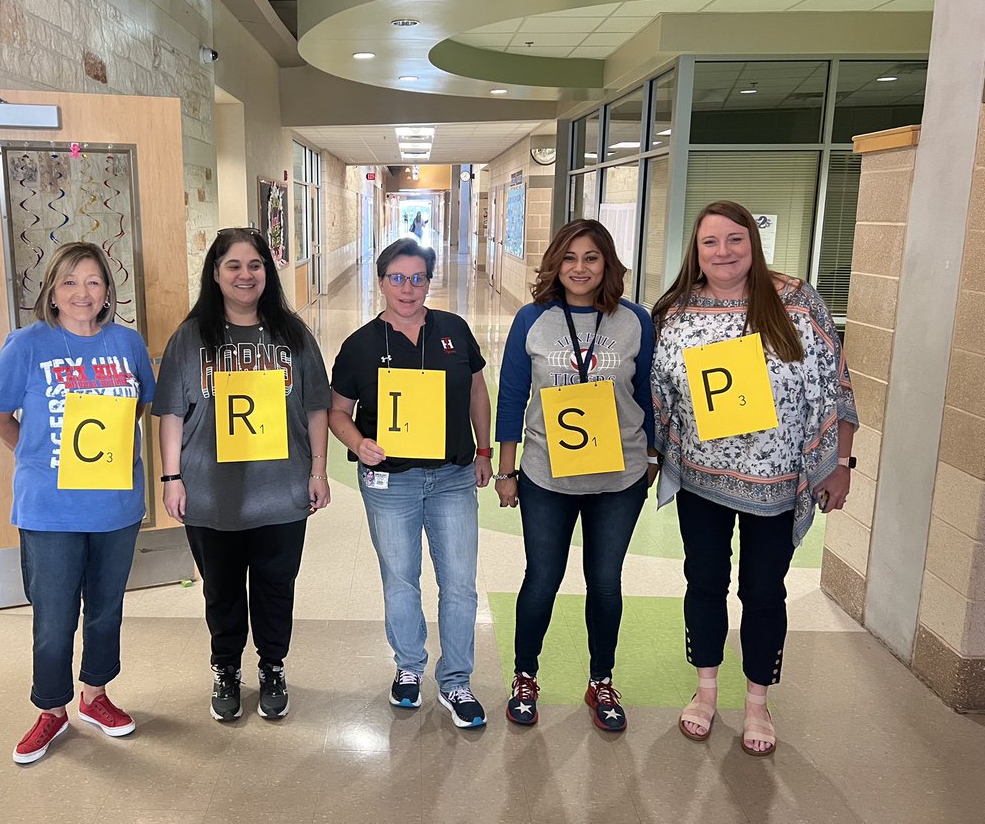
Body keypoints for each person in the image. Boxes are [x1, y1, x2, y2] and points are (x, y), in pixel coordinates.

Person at [651, 199, 857, 757]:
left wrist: (839, 462)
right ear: (696, 250)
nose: (723, 252)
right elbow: (659, 391)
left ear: (753, 243)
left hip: (778, 482)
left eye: (734, 239)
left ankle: (758, 702)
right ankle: (705, 690)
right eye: (710, 242)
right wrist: (651, 455)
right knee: (704, 582)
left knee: (763, 591)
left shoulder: (795, 300)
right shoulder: (675, 309)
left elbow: (835, 382)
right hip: (702, 478)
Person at [0, 241, 155, 764]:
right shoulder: (27, 344)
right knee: (54, 617)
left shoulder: (127, 343)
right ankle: (51, 709)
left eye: (94, 281)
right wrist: (36, 455)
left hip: (115, 506)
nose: (83, 292)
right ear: (52, 293)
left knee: (105, 609)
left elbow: (140, 403)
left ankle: (95, 696)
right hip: (49, 509)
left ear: (108, 292)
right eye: (70, 282)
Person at [152, 228, 331, 722]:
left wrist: (318, 470)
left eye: (255, 265)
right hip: (212, 493)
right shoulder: (191, 337)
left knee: (276, 587)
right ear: (215, 273)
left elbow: (316, 406)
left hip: (282, 489)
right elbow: (172, 414)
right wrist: (172, 478)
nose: (245, 275)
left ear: (268, 272)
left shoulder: (293, 335)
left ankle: (272, 666)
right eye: (233, 265)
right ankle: (226, 668)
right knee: (222, 590)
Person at [494, 219, 655, 731]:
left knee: (605, 582)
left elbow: (648, 394)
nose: (579, 268)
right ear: (554, 264)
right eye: (569, 257)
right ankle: (525, 676)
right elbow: (512, 395)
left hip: (619, 477)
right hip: (547, 475)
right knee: (542, 579)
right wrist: (506, 469)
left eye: (591, 257)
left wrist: (652, 456)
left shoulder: (635, 320)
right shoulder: (532, 319)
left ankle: (601, 680)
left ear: (607, 263)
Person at [329, 239, 494, 728]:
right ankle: (408, 667)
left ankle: (456, 680)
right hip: (390, 482)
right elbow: (338, 412)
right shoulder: (360, 345)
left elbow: (478, 391)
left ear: (429, 282)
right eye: (397, 278)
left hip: (452, 476)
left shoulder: (454, 330)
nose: (408, 288)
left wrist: (484, 450)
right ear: (381, 282)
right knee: (401, 579)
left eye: (417, 278)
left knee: (459, 583)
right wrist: (359, 443)